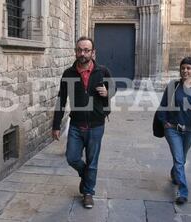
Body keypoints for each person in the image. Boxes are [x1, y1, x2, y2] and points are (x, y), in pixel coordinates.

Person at [52, 36, 115, 209]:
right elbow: (61, 100)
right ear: (75, 51)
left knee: (92, 160)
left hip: (96, 125)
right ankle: (86, 175)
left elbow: (113, 88)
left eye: (86, 50)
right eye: (80, 50)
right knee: (72, 157)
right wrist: (56, 125)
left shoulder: (103, 71)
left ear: (93, 53)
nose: (82, 53)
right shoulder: (68, 74)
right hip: (76, 125)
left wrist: (107, 92)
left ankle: (88, 193)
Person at [157, 57, 191, 205]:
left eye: (188, 68)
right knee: (179, 159)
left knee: (181, 157)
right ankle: (182, 192)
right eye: (183, 68)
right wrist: (164, 123)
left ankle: (175, 174)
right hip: (172, 129)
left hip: (189, 130)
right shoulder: (173, 86)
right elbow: (162, 106)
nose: (185, 71)